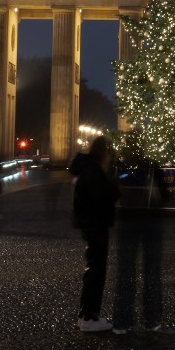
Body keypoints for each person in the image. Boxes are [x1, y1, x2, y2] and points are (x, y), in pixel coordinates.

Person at [71, 136, 121, 333]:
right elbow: (101, 196)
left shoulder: (87, 167)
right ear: (104, 151)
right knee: (96, 271)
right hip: (95, 225)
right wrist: (114, 188)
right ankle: (89, 317)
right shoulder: (94, 170)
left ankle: (86, 315)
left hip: (90, 224)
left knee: (93, 269)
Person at [111, 155, 165, 335]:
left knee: (125, 272)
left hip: (126, 220)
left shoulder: (122, 166)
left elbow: (112, 191)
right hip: (150, 222)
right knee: (152, 272)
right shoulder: (152, 165)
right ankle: (153, 320)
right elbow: (165, 194)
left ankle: (121, 322)